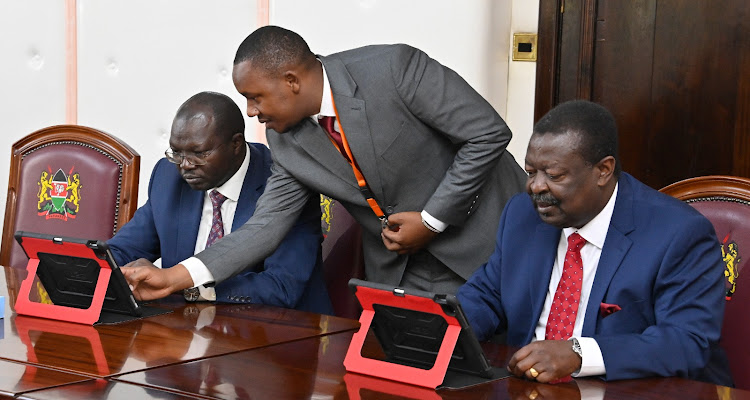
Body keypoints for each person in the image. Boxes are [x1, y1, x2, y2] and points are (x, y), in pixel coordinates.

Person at [122, 25, 526, 302]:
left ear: (291, 81)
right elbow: (265, 227)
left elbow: (487, 133)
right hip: (404, 271)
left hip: (488, 245)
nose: (249, 112)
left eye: (256, 97)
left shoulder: (395, 70)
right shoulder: (285, 141)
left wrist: (433, 219)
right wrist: (175, 277)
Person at [457, 100, 732, 386]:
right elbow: (487, 295)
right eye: (531, 172)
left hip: (628, 389)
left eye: (554, 175)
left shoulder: (679, 233)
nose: (535, 186)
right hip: (527, 386)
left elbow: (686, 341)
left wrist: (579, 354)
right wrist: (440, 330)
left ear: (603, 170)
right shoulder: (522, 214)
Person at [108, 91, 333, 314]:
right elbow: (123, 250)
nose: (185, 165)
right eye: (177, 153)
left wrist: (185, 286)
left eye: (199, 153)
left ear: (236, 144)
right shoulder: (169, 177)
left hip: (276, 331)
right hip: (183, 332)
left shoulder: (283, 182)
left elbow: (281, 287)